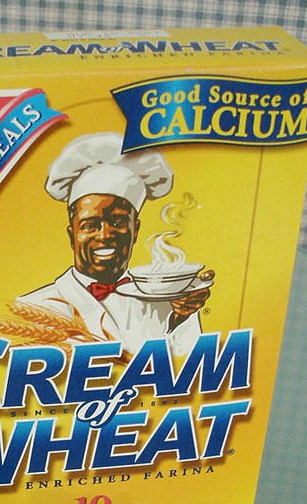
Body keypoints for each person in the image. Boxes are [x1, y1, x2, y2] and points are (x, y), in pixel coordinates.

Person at [18, 133, 210, 356]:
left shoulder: (168, 305)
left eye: (117, 222)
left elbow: (186, 365)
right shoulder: (32, 308)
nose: (105, 235)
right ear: (72, 235)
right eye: (90, 225)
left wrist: (183, 315)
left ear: (135, 230)